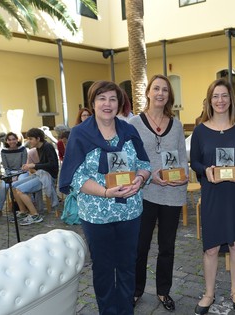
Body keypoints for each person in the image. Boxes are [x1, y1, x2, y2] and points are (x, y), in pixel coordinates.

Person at [58, 80, 151, 315]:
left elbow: (144, 163)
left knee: (128, 266)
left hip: (130, 211)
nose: (107, 104)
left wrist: (140, 179)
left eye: (112, 99)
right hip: (96, 215)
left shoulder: (129, 130)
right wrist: (105, 192)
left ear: (119, 103)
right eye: (101, 98)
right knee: (103, 268)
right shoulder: (80, 134)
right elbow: (76, 176)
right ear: (93, 103)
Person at [190, 79, 235, 315]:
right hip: (213, 193)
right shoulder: (200, 130)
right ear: (209, 100)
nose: (220, 100)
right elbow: (195, 161)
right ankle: (209, 294)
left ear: (231, 99)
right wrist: (204, 170)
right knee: (211, 247)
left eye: (224, 95)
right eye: (215, 96)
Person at [129, 75, 188, 311]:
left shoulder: (177, 124)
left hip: (171, 195)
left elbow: (182, 159)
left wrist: (181, 176)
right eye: (156, 89)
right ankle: (135, 291)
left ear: (169, 96)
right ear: (149, 93)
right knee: (140, 246)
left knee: (167, 246)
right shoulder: (134, 123)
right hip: (144, 193)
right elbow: (129, 158)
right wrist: (147, 175)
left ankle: (163, 291)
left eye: (165, 89)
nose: (161, 93)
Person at [12, 128, 59, 226]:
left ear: (38, 138)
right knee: (13, 186)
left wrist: (34, 165)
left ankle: (35, 215)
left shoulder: (48, 146)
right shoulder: (39, 147)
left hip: (48, 176)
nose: (29, 141)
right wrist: (31, 165)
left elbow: (53, 165)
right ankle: (23, 211)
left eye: (31, 139)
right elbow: (43, 163)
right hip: (41, 174)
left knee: (20, 190)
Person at [0, 132, 28, 217]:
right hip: (10, 173)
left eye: (13, 139)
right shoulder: (3, 151)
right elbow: (6, 167)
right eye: (9, 140)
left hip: (22, 172)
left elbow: (24, 165)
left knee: (19, 184)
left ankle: (25, 207)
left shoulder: (23, 149)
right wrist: (11, 176)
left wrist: (17, 175)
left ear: (17, 140)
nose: (12, 141)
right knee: (3, 186)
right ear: (6, 141)